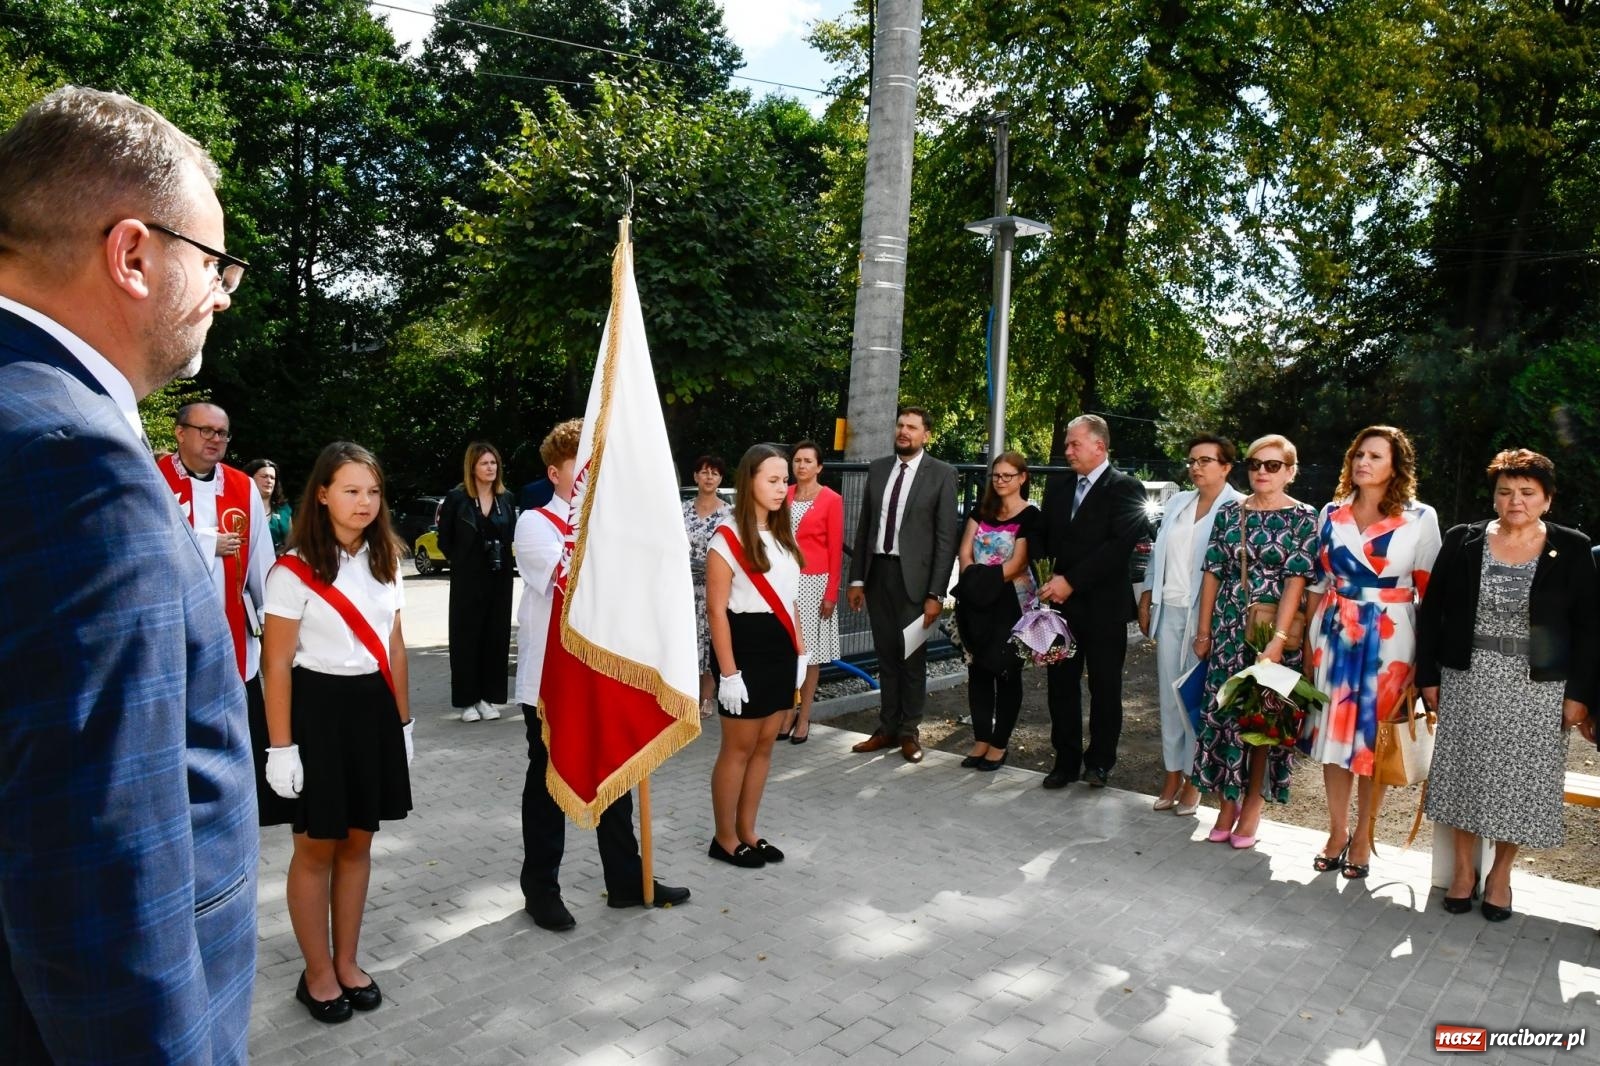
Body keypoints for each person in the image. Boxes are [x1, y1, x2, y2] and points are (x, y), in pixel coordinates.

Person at [0, 86, 258, 1062]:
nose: (226, 292)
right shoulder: (77, 467)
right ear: (133, 254)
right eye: (214, 261)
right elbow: (99, 887)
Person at [515, 419, 690, 930]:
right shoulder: (535, 523)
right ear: (555, 472)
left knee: (618, 772)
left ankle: (627, 880)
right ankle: (540, 888)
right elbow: (574, 582)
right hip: (551, 682)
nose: (595, 483)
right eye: (583, 471)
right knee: (547, 781)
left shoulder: (612, 531)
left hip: (603, 670)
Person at [261, 442, 413, 1023]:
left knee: (359, 841)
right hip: (316, 711)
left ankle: (347, 961)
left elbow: (394, 646)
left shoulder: (388, 560)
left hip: (372, 709)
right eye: (351, 490)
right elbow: (276, 663)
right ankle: (316, 972)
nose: (364, 502)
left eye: (372, 491)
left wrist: (403, 723)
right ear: (322, 494)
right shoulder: (292, 569)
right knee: (315, 846)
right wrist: (280, 746)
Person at [1416, 449, 1596, 922]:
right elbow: (1432, 612)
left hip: (1538, 687)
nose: (1515, 500)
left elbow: (1590, 627)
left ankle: (1500, 877)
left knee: (1521, 784)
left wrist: (1580, 694)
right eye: (1505, 491)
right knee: (1463, 775)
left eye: (1527, 492)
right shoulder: (1463, 540)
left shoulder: (1572, 547)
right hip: (1468, 676)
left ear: (1547, 499)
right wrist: (1428, 676)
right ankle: (1461, 873)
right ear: (1494, 495)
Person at [1299, 427, 1440, 879]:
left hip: (1392, 639)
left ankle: (1364, 835)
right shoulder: (1331, 512)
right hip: (1335, 636)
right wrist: (1307, 643)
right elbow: (1318, 584)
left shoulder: (1420, 517)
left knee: (1374, 745)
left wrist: (1425, 662)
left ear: (1395, 466)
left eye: (1375, 456)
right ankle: (1337, 831)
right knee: (1334, 742)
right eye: (1359, 454)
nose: (1364, 462)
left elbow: (1430, 594)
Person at [157, 406, 294, 827]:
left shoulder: (241, 485)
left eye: (223, 433)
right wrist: (204, 542)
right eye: (205, 431)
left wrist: (274, 616)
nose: (215, 439)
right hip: (172, 628)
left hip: (232, 629)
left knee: (241, 720)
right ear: (180, 433)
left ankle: (250, 806)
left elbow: (259, 559)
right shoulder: (152, 478)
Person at [1191, 434, 1318, 848]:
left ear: (1291, 471)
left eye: (1273, 465)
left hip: (1273, 633)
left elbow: (1296, 581)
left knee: (1263, 723)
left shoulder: (1303, 517)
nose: (1262, 472)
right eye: (1255, 464)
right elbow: (1213, 571)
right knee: (1228, 717)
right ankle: (1227, 803)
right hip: (1229, 629)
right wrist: (1204, 629)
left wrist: (1278, 641)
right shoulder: (1231, 513)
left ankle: (1252, 806)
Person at [1036, 414, 1149, 789]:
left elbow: (1117, 548)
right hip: (1060, 611)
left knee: (1105, 686)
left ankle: (1099, 762)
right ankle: (1064, 761)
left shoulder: (1126, 487)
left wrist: (1071, 581)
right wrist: (1043, 578)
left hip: (1104, 608)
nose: (1067, 450)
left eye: (1074, 444)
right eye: (1067, 444)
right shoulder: (1058, 487)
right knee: (1061, 685)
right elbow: (1046, 539)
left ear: (1099, 446)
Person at [706, 444, 805, 867]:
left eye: (785, 480)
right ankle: (725, 837)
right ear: (750, 481)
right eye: (773, 479)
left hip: (780, 646)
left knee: (766, 745)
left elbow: (792, 599)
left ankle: (749, 831)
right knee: (738, 747)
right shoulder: (726, 537)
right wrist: (728, 673)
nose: (782, 488)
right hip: (743, 646)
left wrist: (800, 653)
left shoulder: (784, 533)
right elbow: (716, 610)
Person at [846, 406, 960, 763]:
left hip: (917, 583)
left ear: (926, 434)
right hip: (878, 576)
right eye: (900, 425)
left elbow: (946, 539)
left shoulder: (941, 474)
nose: (903, 431)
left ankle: (910, 732)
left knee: (912, 658)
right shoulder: (879, 469)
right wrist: (857, 578)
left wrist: (935, 594)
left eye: (911, 427)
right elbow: (865, 528)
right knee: (886, 657)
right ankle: (887, 729)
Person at [1138, 434, 1242, 812]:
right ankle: (1170, 776)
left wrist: (1212, 626)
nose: (1195, 467)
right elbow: (1157, 554)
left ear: (1226, 466)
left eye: (1205, 460)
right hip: (1171, 610)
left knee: (1195, 699)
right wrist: (1148, 596)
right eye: (1192, 460)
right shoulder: (1179, 502)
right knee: (1169, 696)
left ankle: (1194, 780)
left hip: (1209, 618)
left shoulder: (1238, 507)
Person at [954, 451, 1041, 772]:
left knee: (1005, 671)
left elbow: (1018, 563)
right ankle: (980, 738)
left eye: (1008, 475)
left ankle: (999, 743)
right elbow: (964, 551)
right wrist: (974, 584)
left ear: (1022, 477)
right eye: (996, 476)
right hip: (976, 601)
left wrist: (981, 580)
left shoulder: (1031, 515)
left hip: (1012, 605)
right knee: (977, 670)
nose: (1001, 481)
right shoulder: (981, 510)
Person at [437, 441, 517, 722]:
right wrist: (463, 559)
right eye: (484, 463)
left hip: (499, 577)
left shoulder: (505, 499)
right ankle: (467, 701)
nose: (490, 468)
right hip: (467, 579)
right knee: (466, 638)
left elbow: (510, 537)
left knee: (495, 637)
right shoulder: (457, 499)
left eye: (493, 463)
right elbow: (444, 540)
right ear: (472, 467)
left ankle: (487, 698)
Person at [781, 440, 843, 743]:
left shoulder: (831, 499)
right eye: (797, 460)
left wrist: (831, 593)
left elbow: (835, 550)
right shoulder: (784, 494)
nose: (801, 465)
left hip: (813, 583)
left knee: (809, 653)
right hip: (783, 580)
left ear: (819, 466)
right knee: (785, 649)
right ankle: (786, 713)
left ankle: (804, 717)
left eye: (808, 461)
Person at [683, 454, 732, 718]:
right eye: (703, 472)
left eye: (714, 473)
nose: (709, 477)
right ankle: (686, 695)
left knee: (712, 639)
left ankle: (707, 697)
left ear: (720, 478)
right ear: (695, 477)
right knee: (688, 639)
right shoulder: (681, 510)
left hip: (716, 587)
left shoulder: (729, 513)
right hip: (685, 588)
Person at [246, 457, 294, 554]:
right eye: (264, 476)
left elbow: (291, 543)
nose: (269, 481)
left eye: (272, 478)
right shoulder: (239, 507)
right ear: (250, 478)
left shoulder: (283, 510)